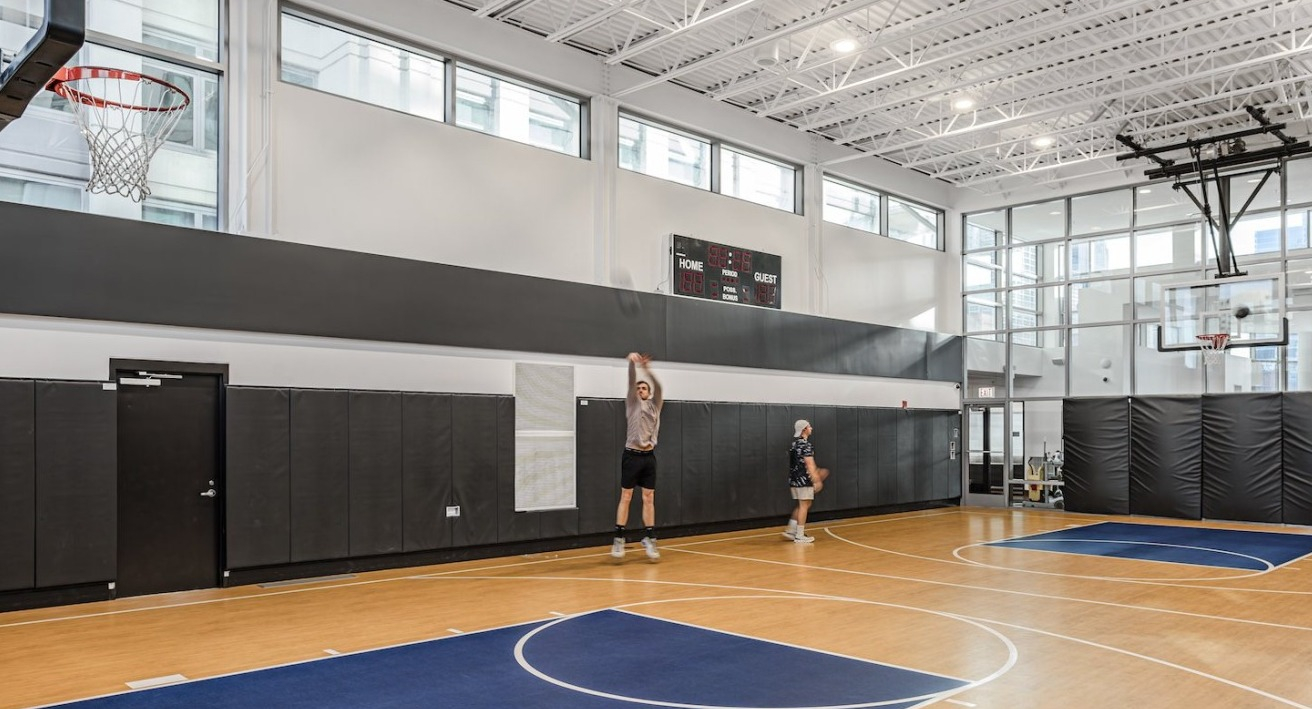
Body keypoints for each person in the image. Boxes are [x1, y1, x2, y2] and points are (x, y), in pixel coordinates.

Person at [612, 352, 664, 560]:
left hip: (648, 457)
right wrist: (633, 365)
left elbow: (659, 388)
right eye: (638, 388)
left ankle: (649, 538)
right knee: (626, 496)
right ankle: (619, 539)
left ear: (648, 392)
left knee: (649, 497)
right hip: (631, 456)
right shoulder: (632, 404)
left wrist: (648, 369)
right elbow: (631, 380)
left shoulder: (655, 405)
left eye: (644, 388)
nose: (640, 389)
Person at [784, 419, 827, 543]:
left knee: (805, 504)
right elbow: (809, 464)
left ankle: (792, 529)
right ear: (804, 429)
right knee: (804, 506)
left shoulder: (794, 445)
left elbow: (798, 464)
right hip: (804, 481)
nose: (811, 428)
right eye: (809, 426)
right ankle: (799, 535)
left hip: (794, 480)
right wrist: (817, 479)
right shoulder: (806, 445)